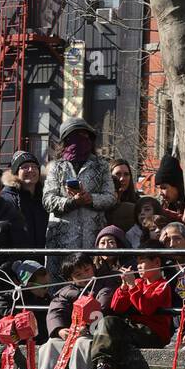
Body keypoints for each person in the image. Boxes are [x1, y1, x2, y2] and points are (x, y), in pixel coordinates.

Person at [85, 251, 175, 369]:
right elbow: (116, 307)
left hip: (152, 333)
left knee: (113, 338)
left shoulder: (163, 284)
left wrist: (133, 286)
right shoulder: (138, 282)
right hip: (134, 329)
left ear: (156, 262)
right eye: (137, 263)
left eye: (143, 262)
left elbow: (146, 308)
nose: (139, 267)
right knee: (108, 324)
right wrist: (124, 287)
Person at [43, 118, 115, 278]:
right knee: (60, 287)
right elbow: (47, 200)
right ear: (66, 140)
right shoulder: (57, 166)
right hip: (61, 242)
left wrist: (91, 199)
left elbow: (110, 197)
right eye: (75, 136)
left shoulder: (101, 165)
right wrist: (71, 202)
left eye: (85, 136)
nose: (81, 140)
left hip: (93, 239)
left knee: (92, 286)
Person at [39, 252, 101, 369]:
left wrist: (86, 328)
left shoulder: (103, 286)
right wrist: (59, 330)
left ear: (93, 267)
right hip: (69, 335)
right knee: (51, 344)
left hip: (92, 335)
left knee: (82, 343)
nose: (85, 276)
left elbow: (104, 309)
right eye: (79, 274)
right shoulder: (64, 292)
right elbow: (55, 311)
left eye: (87, 270)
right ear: (70, 279)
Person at [1, 150, 48, 251]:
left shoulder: (45, 196)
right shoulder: (7, 198)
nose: (31, 170)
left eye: (35, 167)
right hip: (18, 260)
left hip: (44, 256)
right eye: (25, 167)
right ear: (16, 172)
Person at [92, 224, 129, 311]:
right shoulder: (91, 268)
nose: (106, 247)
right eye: (102, 243)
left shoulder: (128, 268)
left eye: (111, 242)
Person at [154, 154, 185, 228]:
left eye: (164, 188)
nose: (160, 193)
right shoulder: (164, 209)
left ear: (176, 186)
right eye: (158, 188)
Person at [106, 159, 140, 233]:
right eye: (118, 174)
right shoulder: (102, 201)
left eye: (126, 174)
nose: (122, 179)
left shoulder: (138, 203)